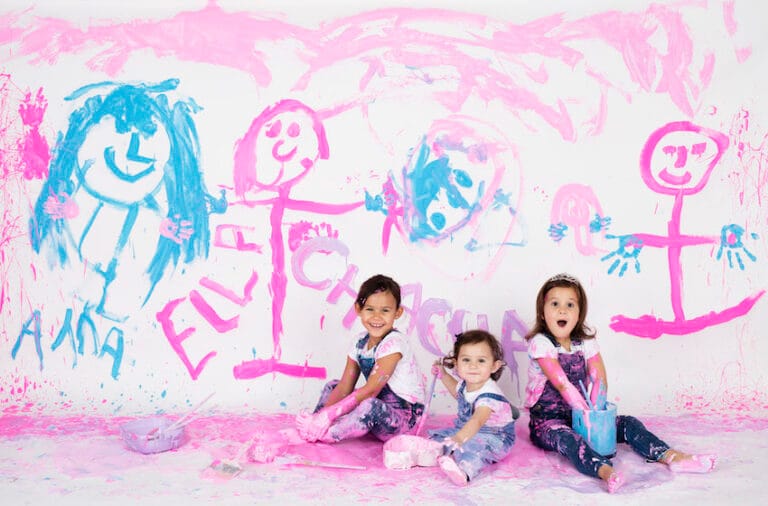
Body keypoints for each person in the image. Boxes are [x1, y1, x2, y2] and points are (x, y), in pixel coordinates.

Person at [525, 273, 717, 493]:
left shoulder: (585, 342)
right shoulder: (541, 344)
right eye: (555, 304)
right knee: (570, 439)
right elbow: (562, 384)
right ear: (542, 312)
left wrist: (598, 419)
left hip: (584, 417)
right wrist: (588, 420)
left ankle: (672, 456)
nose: (562, 310)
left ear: (579, 313)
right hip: (549, 422)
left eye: (570, 305)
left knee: (627, 423)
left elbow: (599, 379)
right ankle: (606, 471)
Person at [295, 274, 426, 443]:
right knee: (333, 386)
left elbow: (371, 390)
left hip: (404, 421)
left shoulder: (394, 344)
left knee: (370, 405)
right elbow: (345, 386)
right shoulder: (359, 342)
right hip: (380, 409)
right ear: (358, 309)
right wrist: (322, 416)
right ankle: (314, 425)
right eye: (370, 309)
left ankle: (329, 434)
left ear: (397, 312)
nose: (377, 317)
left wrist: (330, 414)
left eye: (385, 310)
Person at [428, 330, 519, 486]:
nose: (473, 366)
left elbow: (477, 420)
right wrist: (443, 374)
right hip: (468, 430)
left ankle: (464, 471)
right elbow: (457, 392)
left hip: (495, 438)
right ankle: (430, 453)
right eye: (466, 360)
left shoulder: (489, 395)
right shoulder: (466, 384)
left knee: (474, 448)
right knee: (441, 437)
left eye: (481, 361)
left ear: (494, 366)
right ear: (456, 364)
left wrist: (460, 438)